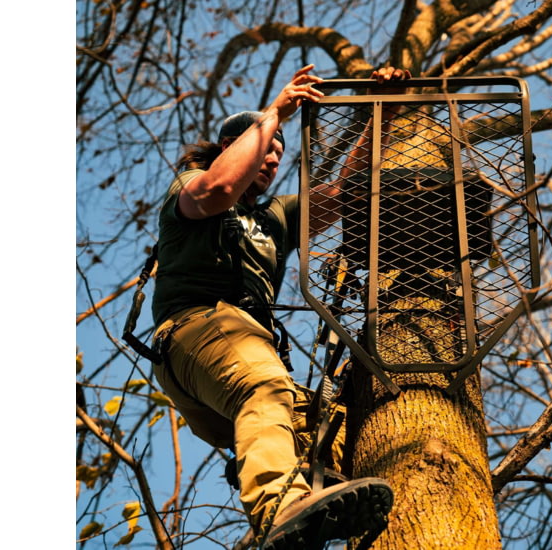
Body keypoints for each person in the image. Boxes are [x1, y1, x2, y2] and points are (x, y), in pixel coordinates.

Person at [150, 64, 411, 549]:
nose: (272, 158)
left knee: (330, 430)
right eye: (265, 147)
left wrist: (384, 114)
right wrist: (274, 113)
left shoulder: (274, 216)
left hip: (232, 373)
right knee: (266, 387)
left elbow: (344, 194)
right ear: (229, 147)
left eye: (278, 153)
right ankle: (279, 506)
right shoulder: (192, 186)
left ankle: (308, 520)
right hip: (197, 330)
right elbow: (218, 190)